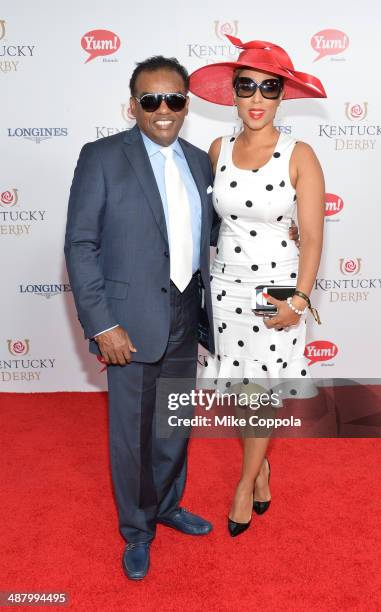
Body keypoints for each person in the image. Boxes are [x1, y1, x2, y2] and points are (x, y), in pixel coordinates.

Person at [64, 56, 218, 581]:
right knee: (132, 432)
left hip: (185, 308)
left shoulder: (200, 162)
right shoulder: (103, 157)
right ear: (133, 106)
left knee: (174, 421)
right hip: (127, 320)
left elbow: (211, 236)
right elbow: (81, 244)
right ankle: (136, 529)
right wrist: (102, 324)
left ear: (186, 104)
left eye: (173, 99)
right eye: (150, 100)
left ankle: (168, 504)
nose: (162, 110)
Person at [189, 35, 326, 536]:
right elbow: (205, 222)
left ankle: (245, 483)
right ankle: (262, 466)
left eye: (269, 88)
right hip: (225, 290)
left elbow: (311, 238)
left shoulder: (300, 154)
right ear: (233, 93)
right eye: (246, 87)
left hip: (278, 292)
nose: (257, 99)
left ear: (282, 95)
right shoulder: (217, 149)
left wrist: (301, 298)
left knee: (262, 393)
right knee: (243, 393)